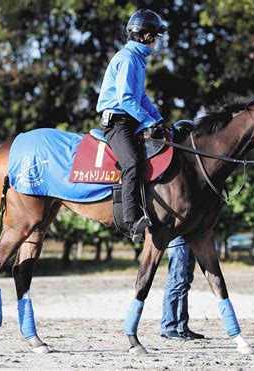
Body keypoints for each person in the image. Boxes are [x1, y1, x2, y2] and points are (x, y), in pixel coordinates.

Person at [96, 9, 167, 243]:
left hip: (131, 121)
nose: (156, 41)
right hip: (117, 123)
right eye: (155, 36)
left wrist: (157, 119)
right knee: (132, 162)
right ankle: (131, 220)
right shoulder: (127, 59)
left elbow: (141, 97)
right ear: (145, 36)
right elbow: (126, 99)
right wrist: (148, 121)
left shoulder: (137, 59)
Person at [160, 237, 205, 340]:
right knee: (176, 281)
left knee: (185, 282)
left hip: (189, 237)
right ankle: (169, 327)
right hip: (178, 237)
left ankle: (182, 327)